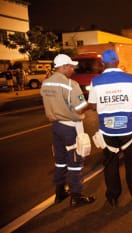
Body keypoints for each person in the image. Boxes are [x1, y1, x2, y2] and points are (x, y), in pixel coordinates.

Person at [88, 49, 132, 207]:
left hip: (108, 130)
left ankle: (112, 196)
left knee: (110, 164)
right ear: (118, 62)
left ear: (102, 64)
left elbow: (92, 105)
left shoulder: (96, 81)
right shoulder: (131, 78)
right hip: (128, 130)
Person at [40, 54, 95, 207]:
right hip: (70, 127)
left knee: (60, 161)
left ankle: (59, 192)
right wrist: (89, 104)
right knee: (75, 161)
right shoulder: (71, 84)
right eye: (70, 66)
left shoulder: (45, 84)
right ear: (63, 67)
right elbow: (79, 108)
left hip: (55, 127)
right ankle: (76, 196)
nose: (73, 68)